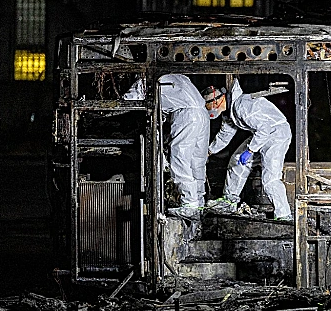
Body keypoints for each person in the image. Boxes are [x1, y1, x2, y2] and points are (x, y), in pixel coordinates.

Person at [202, 79, 293, 222]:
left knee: (270, 178)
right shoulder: (230, 112)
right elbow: (225, 134)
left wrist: (250, 150)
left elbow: (265, 129)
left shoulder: (241, 106)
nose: (209, 109)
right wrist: (209, 151)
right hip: (261, 135)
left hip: (276, 134)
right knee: (237, 161)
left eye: (208, 105)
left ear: (216, 101)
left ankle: (283, 214)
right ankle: (230, 201)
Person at [124, 74, 209, 218]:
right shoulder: (178, 77)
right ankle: (199, 203)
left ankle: (189, 205)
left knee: (180, 160)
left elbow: (129, 100)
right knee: (197, 162)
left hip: (187, 116)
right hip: (202, 114)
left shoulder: (147, 80)